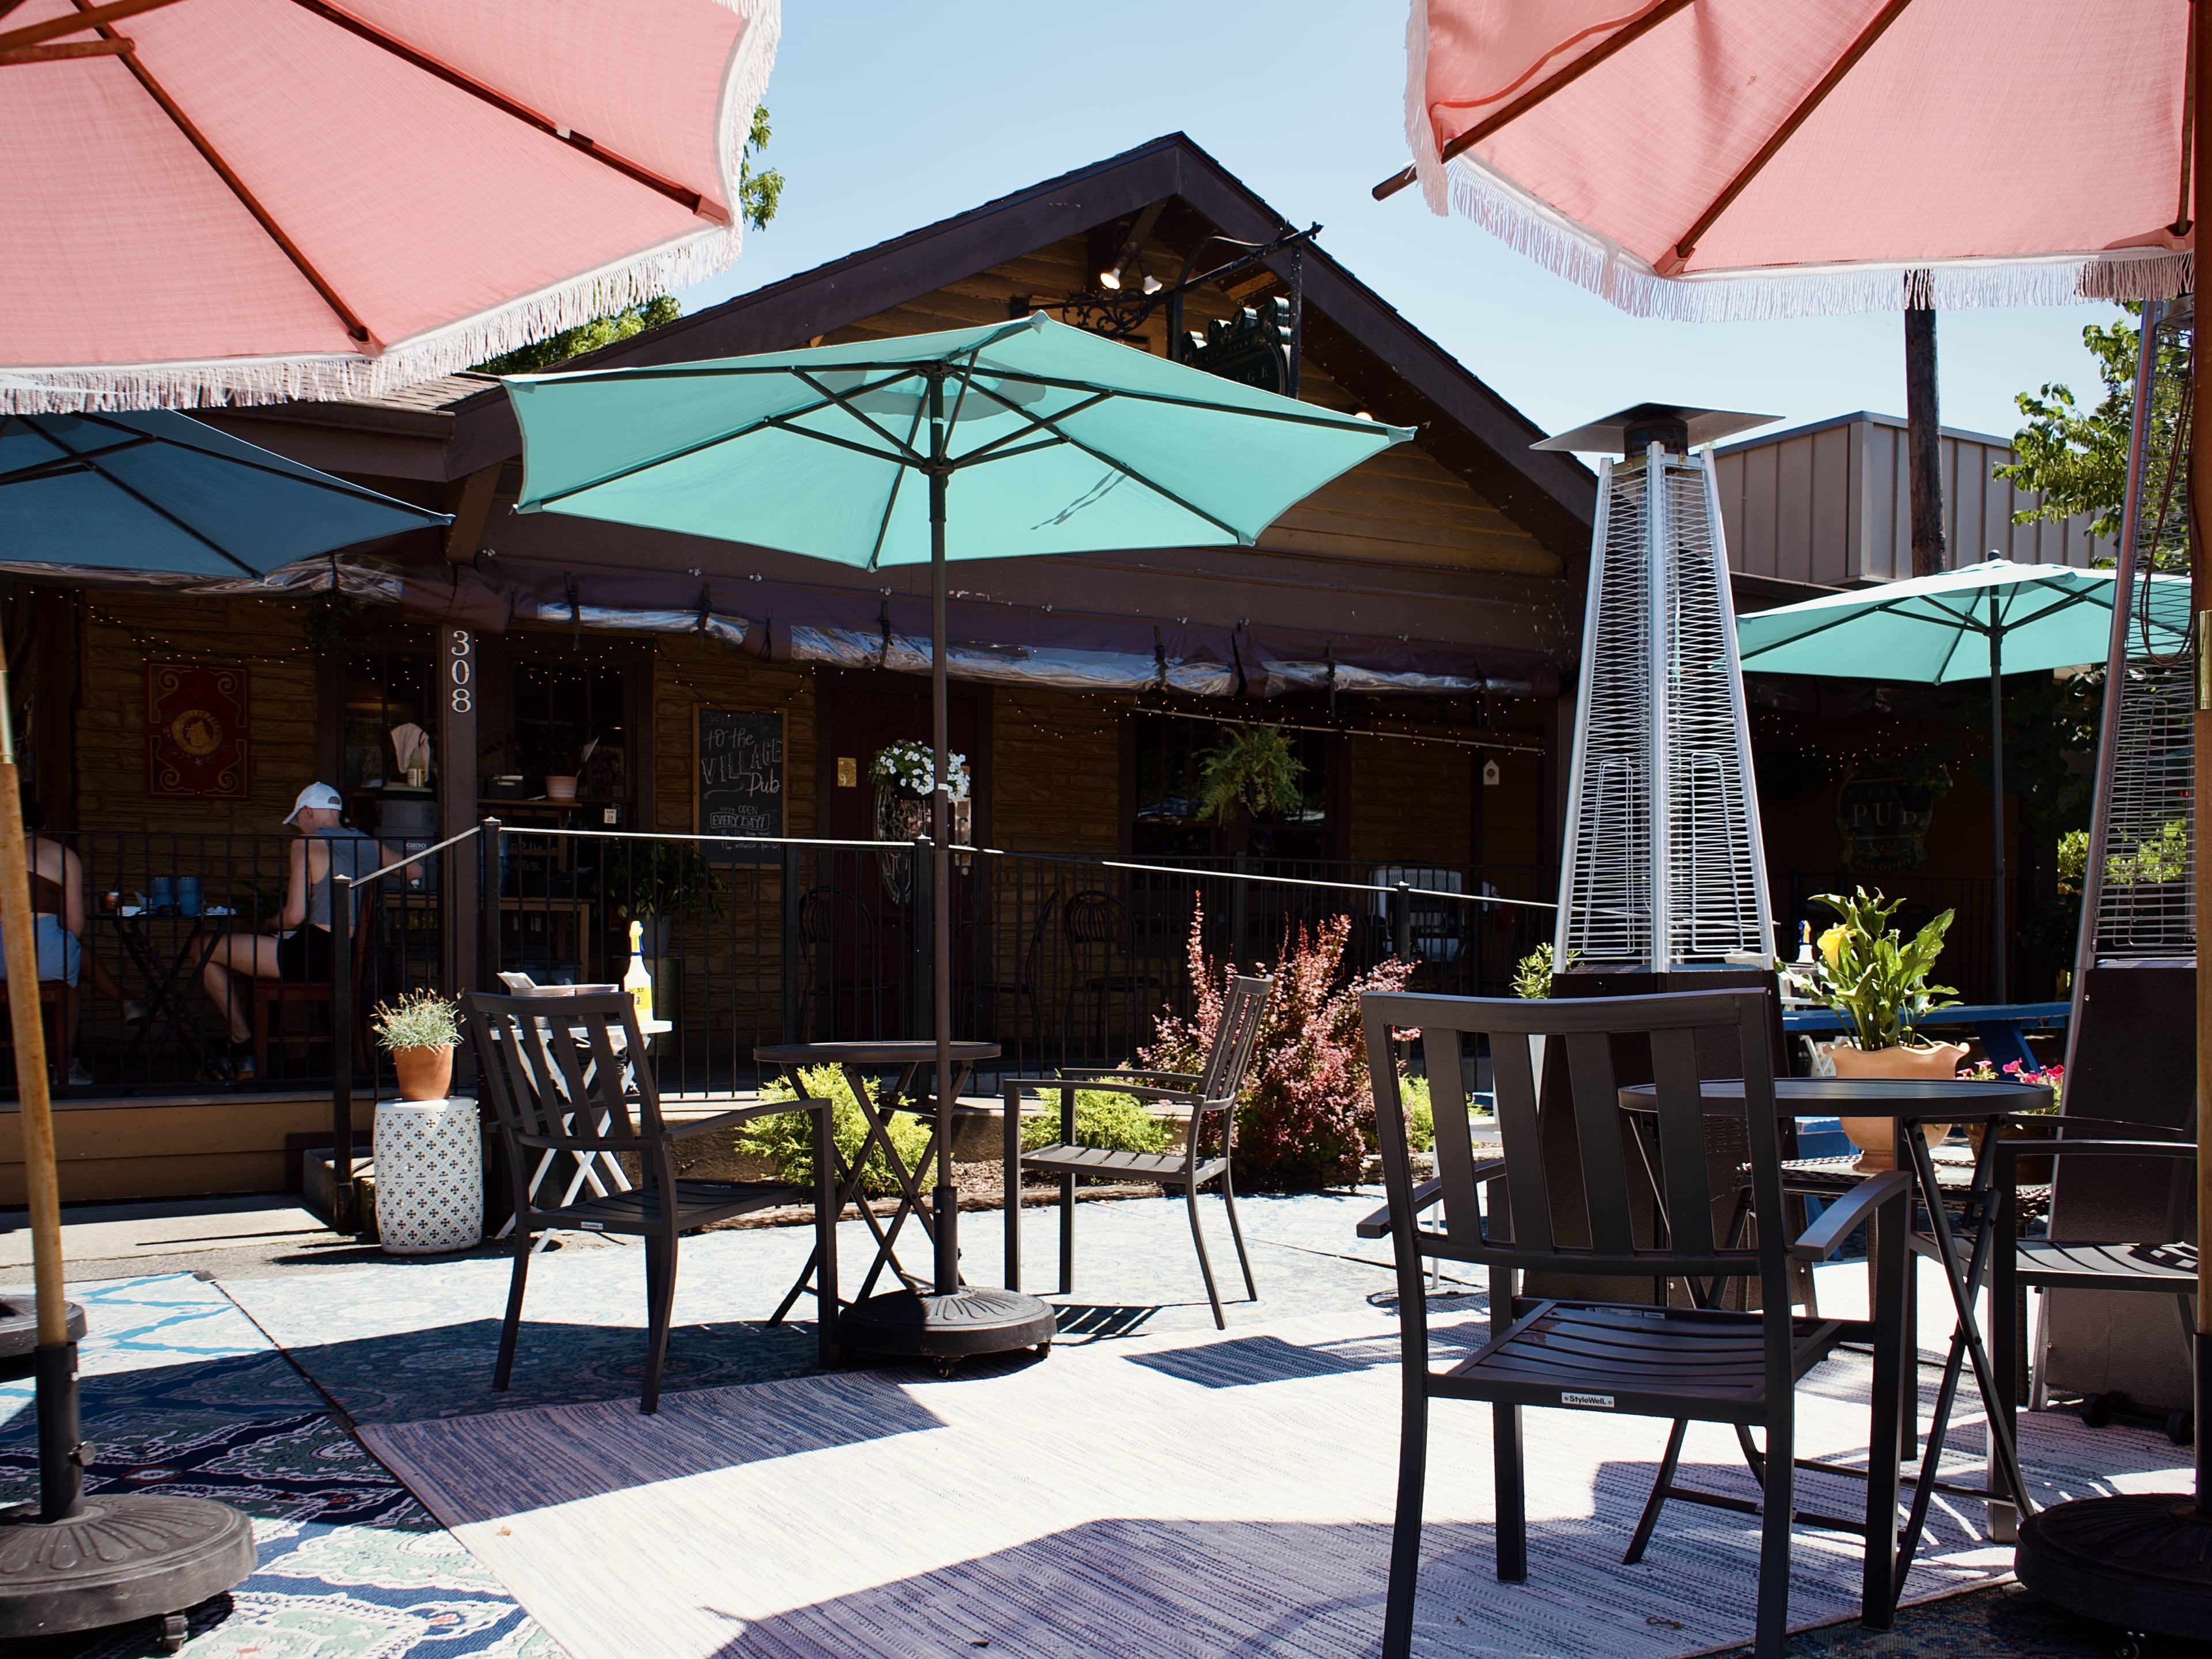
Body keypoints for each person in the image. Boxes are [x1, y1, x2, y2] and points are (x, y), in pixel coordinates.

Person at [201, 782, 381, 1082]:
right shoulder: (367, 843)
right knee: (283, 957)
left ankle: (242, 1040)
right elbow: (414, 871)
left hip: (318, 954)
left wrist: (267, 926)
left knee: (204, 946)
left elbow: (294, 916)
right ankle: (294, 1059)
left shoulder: (307, 842)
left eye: (298, 820)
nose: (299, 827)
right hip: (356, 956)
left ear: (308, 812)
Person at [2, 798, 92, 1086]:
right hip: (44, 955)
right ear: (41, 826)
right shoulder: (62, 856)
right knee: (70, 979)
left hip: (1, 957)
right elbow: (75, 927)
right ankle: (64, 1066)